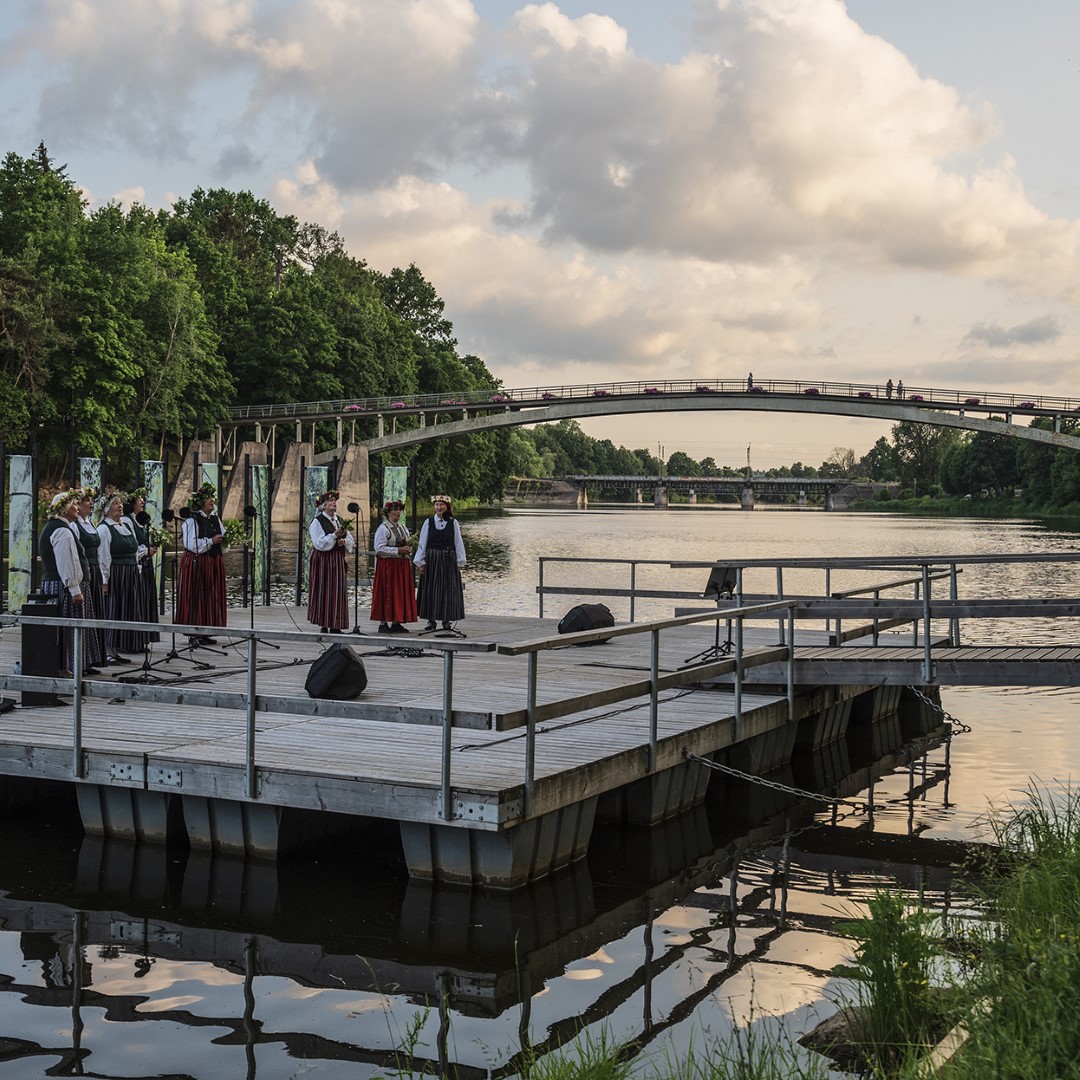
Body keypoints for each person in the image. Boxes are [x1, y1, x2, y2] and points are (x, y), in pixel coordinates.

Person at [38, 489, 101, 675]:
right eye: (74, 504)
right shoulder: (62, 531)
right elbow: (66, 562)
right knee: (68, 627)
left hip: (59, 585)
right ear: (64, 508)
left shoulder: (56, 527)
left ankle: (71, 665)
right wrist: (75, 589)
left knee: (66, 627)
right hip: (64, 587)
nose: (77, 507)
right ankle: (66, 666)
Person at [97, 491, 151, 657]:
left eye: (120, 503)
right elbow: (103, 557)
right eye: (115, 503)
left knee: (129, 610)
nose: (120, 506)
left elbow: (134, 551)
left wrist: (137, 568)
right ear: (106, 509)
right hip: (117, 574)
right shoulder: (104, 529)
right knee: (114, 610)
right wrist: (105, 581)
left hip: (130, 574)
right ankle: (108, 651)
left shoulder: (126, 526)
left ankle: (121, 647)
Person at [176, 481, 227, 643]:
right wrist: (211, 541)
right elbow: (190, 544)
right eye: (208, 498)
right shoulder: (192, 520)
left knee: (211, 596)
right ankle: (194, 633)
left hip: (213, 562)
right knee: (196, 596)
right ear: (200, 502)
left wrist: (227, 540)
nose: (212, 500)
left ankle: (205, 631)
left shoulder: (215, 519)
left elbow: (223, 536)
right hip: (197, 563)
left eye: (213, 497)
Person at [414, 494, 467, 632]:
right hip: (432, 559)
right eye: (437, 505)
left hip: (448, 560)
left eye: (441, 505)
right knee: (431, 588)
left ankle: (446, 619)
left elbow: (458, 542)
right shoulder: (428, 522)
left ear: (446, 506)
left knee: (447, 589)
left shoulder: (453, 523)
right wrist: (420, 562)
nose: (439, 507)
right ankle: (431, 620)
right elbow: (423, 542)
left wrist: (459, 562)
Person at [69, 487, 109, 667]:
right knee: (85, 614)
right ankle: (82, 661)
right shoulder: (74, 525)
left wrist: (103, 575)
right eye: (87, 500)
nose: (91, 503)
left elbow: (99, 552)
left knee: (96, 613)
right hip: (84, 572)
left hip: (95, 571)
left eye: (92, 500)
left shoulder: (91, 524)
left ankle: (94, 658)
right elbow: (75, 554)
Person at [307, 489, 355, 633]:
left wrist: (344, 542)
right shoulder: (317, 521)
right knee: (324, 590)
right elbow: (319, 543)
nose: (334, 503)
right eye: (331, 501)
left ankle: (335, 624)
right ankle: (324, 623)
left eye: (335, 501)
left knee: (337, 591)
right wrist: (334, 536)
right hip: (324, 561)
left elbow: (351, 541)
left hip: (337, 560)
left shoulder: (339, 520)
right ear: (324, 506)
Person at [370, 499, 417, 634]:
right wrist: (398, 550)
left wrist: (408, 549)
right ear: (388, 513)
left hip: (401, 565)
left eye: (399, 510)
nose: (398, 512)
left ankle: (397, 621)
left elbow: (407, 543)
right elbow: (379, 548)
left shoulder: (402, 527)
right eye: (395, 510)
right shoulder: (383, 528)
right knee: (387, 591)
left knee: (399, 592)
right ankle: (383, 623)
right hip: (388, 565)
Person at [125, 489, 161, 643]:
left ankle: (145, 636)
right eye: (139, 499)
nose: (142, 502)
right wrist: (145, 551)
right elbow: (132, 545)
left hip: (145, 563)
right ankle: (138, 638)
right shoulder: (127, 520)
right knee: (140, 598)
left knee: (147, 597)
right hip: (138, 562)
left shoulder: (140, 520)